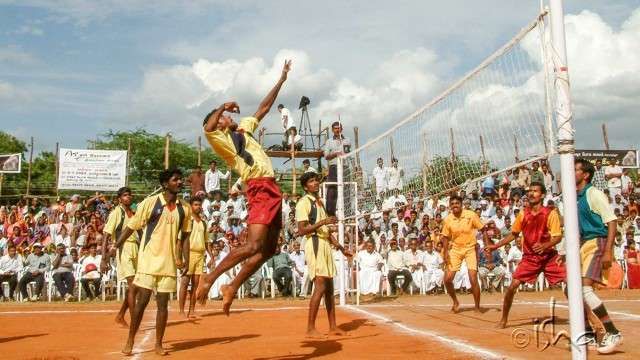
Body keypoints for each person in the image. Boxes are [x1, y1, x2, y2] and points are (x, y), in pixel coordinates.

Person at [196, 60, 292, 314]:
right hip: (258, 187)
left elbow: (263, 107)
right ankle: (210, 278)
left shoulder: (243, 129)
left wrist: (281, 80)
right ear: (218, 122)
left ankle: (232, 287)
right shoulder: (219, 138)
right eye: (224, 116)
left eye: (226, 114)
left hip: (272, 187)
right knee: (252, 246)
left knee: (268, 250)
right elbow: (206, 126)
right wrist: (221, 105)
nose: (228, 117)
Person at [115, 168, 192, 356]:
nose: (180, 182)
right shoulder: (149, 203)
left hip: (168, 264)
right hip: (148, 262)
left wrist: (185, 260)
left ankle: (158, 343)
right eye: (176, 180)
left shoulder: (185, 208)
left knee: (163, 305)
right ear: (165, 184)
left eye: (181, 180)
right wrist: (115, 246)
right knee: (141, 303)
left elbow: (186, 237)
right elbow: (131, 227)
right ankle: (130, 340)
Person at [574, 158, 623, 353]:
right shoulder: (574, 196)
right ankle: (588, 332)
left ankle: (613, 332)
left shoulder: (593, 193)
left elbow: (611, 221)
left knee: (585, 290)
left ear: (585, 175)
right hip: (584, 243)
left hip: (597, 241)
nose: (571, 172)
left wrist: (608, 251)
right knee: (572, 289)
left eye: (575, 169)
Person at [296, 171, 351, 338]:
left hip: (325, 244)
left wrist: (341, 248)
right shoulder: (303, 203)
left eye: (316, 180)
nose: (316, 183)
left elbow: (326, 232)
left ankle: (333, 326)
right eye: (312, 181)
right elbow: (301, 230)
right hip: (314, 244)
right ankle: (310, 329)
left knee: (329, 289)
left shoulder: (319, 202)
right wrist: (323, 222)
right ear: (306, 186)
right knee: (320, 286)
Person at [101, 187, 139, 327]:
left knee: (135, 287)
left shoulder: (134, 213)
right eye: (125, 195)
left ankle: (121, 315)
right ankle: (135, 319)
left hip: (136, 248)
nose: (128, 197)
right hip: (124, 248)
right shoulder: (117, 213)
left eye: (130, 195)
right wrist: (104, 259)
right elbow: (106, 234)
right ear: (119, 199)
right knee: (132, 284)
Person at [441, 195, 487, 313]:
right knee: (447, 279)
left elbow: (483, 229)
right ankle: (455, 301)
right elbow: (445, 237)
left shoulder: (470, 215)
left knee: (472, 278)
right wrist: (445, 252)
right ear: (450, 206)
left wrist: (487, 246)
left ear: (461, 204)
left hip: (470, 248)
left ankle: (477, 306)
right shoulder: (448, 219)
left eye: (457, 203)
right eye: (452, 204)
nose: (455, 205)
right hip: (455, 249)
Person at [179, 197, 207, 319]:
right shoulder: (187, 220)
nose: (198, 207)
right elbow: (180, 240)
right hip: (188, 253)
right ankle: (181, 310)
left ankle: (192, 310)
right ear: (190, 206)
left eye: (199, 205)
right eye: (195, 204)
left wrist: (210, 256)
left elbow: (207, 241)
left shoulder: (203, 222)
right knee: (185, 282)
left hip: (200, 254)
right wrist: (180, 257)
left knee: (195, 284)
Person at [323, 121, 351, 216]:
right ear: (332, 130)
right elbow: (326, 156)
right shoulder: (329, 141)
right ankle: (330, 214)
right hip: (334, 167)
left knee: (346, 188)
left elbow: (347, 152)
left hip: (345, 167)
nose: (337, 130)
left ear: (341, 129)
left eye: (339, 128)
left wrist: (342, 151)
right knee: (332, 190)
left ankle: (347, 213)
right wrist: (335, 154)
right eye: (335, 128)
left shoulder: (347, 140)